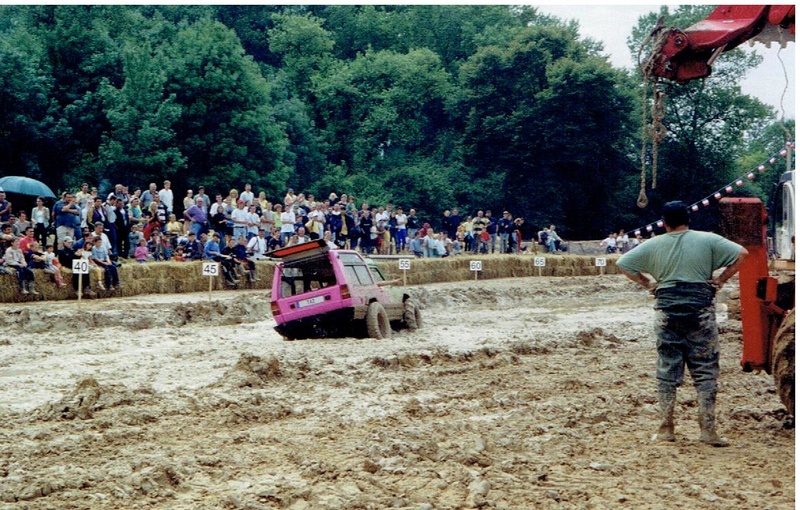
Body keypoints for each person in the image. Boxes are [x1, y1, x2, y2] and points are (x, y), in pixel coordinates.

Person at [617, 201, 749, 447]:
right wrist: (720, 279)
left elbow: (622, 264)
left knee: (667, 368)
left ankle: (666, 428)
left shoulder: (653, 243)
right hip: (700, 309)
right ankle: (708, 430)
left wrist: (648, 284)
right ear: (689, 219)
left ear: (664, 222)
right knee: (706, 369)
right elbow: (742, 254)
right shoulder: (708, 239)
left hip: (667, 310)